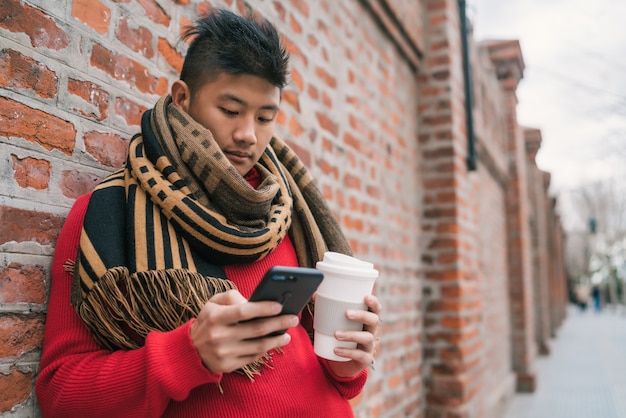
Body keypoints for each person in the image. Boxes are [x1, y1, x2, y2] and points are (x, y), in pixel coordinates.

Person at [35, 9, 382, 418]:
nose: (248, 134)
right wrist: (187, 353)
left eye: (265, 117)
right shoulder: (110, 213)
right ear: (183, 99)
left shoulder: (286, 208)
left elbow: (317, 366)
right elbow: (61, 394)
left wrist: (347, 365)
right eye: (231, 111)